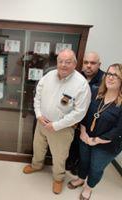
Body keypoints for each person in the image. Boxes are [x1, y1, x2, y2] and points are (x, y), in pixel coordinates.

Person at [23, 49, 91, 194]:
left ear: (75, 63)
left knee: (60, 156)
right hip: (42, 123)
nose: (63, 65)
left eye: (68, 62)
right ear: (57, 62)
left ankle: (58, 178)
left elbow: (80, 112)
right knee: (38, 147)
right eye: (61, 61)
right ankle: (36, 165)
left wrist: (56, 125)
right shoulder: (48, 75)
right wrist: (39, 114)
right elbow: (37, 96)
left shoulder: (81, 84)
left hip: (62, 129)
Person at [67, 63, 122, 200]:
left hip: (107, 144)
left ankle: (88, 187)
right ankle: (80, 179)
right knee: (84, 161)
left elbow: (119, 129)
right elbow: (84, 113)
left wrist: (96, 140)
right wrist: (83, 132)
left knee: (96, 167)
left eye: (115, 75)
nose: (110, 77)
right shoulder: (95, 92)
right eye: (109, 74)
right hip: (86, 136)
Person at [66, 52, 104, 175]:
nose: (88, 66)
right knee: (72, 142)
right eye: (86, 62)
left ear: (99, 64)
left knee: (84, 147)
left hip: (91, 122)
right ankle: (70, 162)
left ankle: (79, 167)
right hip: (74, 118)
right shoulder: (75, 76)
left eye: (92, 63)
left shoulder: (105, 80)